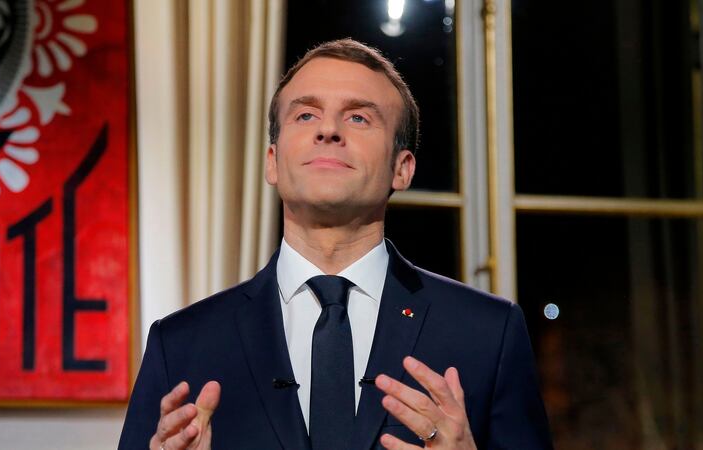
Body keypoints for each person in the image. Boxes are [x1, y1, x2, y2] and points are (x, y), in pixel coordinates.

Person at [118, 39, 552, 450]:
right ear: (272, 161)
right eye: (305, 115)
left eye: (358, 117)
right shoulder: (179, 345)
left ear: (401, 169)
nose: (328, 129)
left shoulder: (488, 333)